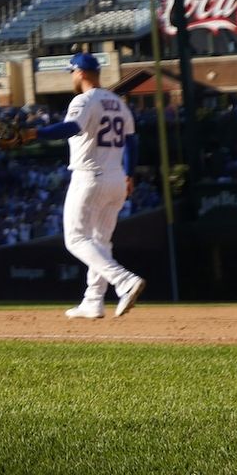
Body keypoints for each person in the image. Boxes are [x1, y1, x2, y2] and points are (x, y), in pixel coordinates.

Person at [19, 52, 146, 319]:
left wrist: (35, 133)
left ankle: (124, 281)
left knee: (76, 239)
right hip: (117, 178)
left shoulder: (84, 99)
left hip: (90, 176)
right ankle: (93, 300)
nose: (72, 77)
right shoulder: (119, 104)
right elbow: (133, 142)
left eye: (72, 72)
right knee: (100, 241)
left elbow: (71, 127)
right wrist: (130, 175)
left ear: (80, 73)